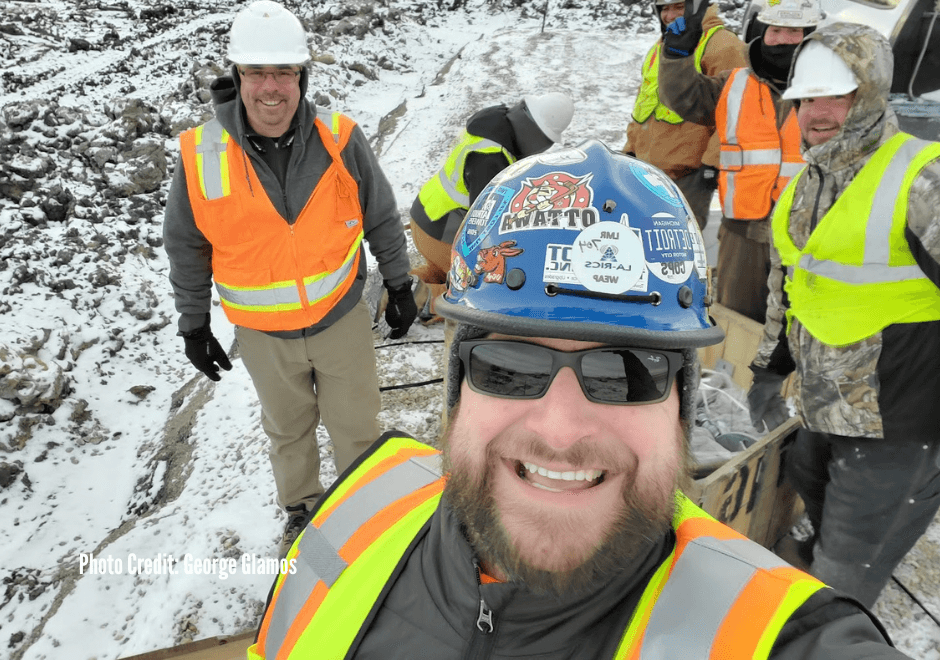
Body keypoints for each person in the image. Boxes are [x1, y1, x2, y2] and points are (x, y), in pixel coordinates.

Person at [248, 140, 908, 659]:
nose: (561, 429)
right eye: (508, 365)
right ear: (457, 387)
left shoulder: (780, 637)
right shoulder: (354, 514)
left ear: (680, 405)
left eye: (626, 372)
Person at [163, 0, 417, 554]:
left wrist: (399, 285)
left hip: (340, 319)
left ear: (303, 76)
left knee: (356, 425)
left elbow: (379, 213)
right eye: (257, 72)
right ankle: (303, 512)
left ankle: (361, 509)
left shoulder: (340, 138)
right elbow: (186, 244)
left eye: (284, 72)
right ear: (237, 77)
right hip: (262, 334)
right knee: (289, 431)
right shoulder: (200, 154)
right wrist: (193, 324)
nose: (270, 87)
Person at [747, 22, 940, 608]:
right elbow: (788, 291)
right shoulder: (806, 185)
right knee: (812, 489)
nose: (815, 113)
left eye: (837, 95)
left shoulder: (922, 177)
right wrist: (765, 371)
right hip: (823, 405)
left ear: (873, 92)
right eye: (806, 99)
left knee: (841, 578)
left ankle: (832, 617)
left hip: (899, 425)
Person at [658, 0, 823, 324]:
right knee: (735, 328)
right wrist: (676, 55)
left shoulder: (832, 92)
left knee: (803, 329)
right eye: (774, 29)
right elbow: (683, 96)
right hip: (742, 237)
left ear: (813, 34)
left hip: (810, 240)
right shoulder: (734, 84)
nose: (780, 39)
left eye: (793, 31)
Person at [408, 93, 573, 320]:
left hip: (428, 217)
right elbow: (485, 225)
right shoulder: (490, 158)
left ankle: (401, 287)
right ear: (535, 134)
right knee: (486, 284)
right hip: (442, 231)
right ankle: (424, 301)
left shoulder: (495, 124)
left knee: (439, 271)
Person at [624, 0, 747, 231]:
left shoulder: (723, 45)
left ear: (697, 6)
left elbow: (735, 109)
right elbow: (645, 103)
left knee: (682, 250)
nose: (669, 16)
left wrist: (712, 165)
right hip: (650, 172)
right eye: (663, 9)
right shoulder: (662, 47)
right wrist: (630, 149)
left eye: (678, 8)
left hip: (689, 175)